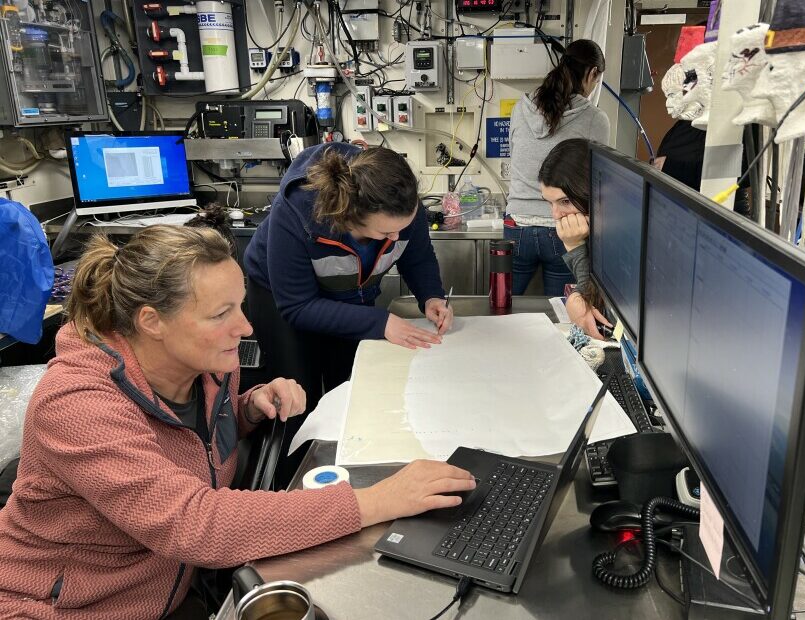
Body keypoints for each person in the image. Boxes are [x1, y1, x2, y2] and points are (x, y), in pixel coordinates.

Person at [0, 226, 475, 620]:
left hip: (171, 586)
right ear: (151, 321)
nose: (246, 327)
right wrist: (377, 500)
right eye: (221, 313)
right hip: (67, 609)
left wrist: (248, 408)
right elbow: (194, 522)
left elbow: (188, 444)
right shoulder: (77, 406)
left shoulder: (207, 366)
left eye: (241, 305)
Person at [243, 143, 453, 409]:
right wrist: (380, 322)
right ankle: (295, 448)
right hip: (282, 298)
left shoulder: (401, 206)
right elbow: (298, 306)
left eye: (402, 228)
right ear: (349, 217)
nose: (396, 237)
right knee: (296, 394)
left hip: (348, 293)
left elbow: (417, 256)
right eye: (386, 234)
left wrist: (431, 296)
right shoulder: (297, 211)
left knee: (348, 382)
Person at [506, 39, 611, 296]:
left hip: (516, 224)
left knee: (501, 304)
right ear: (592, 73)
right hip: (565, 227)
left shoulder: (521, 108)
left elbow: (514, 153)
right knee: (563, 313)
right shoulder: (595, 118)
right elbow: (597, 179)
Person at [537, 138, 612, 340]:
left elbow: (599, 310)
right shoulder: (594, 226)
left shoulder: (617, 236)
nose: (556, 215)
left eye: (565, 201)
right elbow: (589, 294)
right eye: (550, 203)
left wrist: (574, 246)